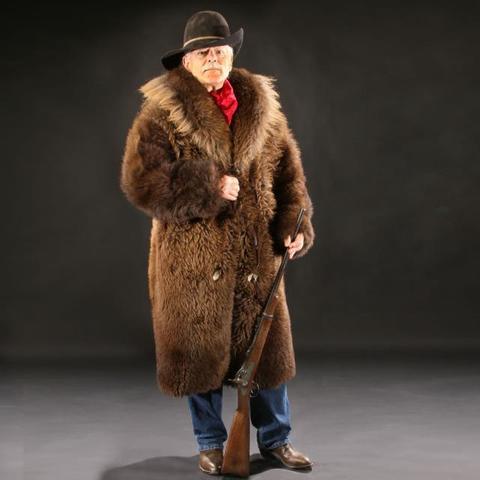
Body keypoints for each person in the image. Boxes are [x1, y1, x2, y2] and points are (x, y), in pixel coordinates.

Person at [120, 10, 315, 475]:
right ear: (186, 62)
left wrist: (296, 226)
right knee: (200, 355)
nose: (212, 58)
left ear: (231, 55)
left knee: (265, 354)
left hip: (256, 259)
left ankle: (276, 440)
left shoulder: (263, 110)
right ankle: (210, 443)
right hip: (192, 260)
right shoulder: (161, 113)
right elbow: (141, 181)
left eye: (219, 51)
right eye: (203, 52)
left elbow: (289, 177)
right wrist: (207, 185)